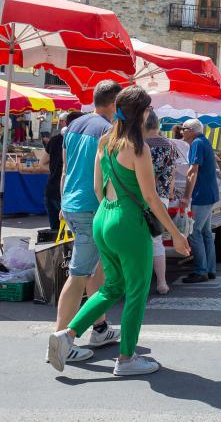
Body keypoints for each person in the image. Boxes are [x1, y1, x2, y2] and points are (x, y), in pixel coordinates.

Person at [47, 86, 190, 376]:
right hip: (127, 220)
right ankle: (126, 359)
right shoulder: (138, 148)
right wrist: (175, 233)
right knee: (136, 291)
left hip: (104, 217)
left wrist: (110, 214)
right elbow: (151, 198)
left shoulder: (106, 141)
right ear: (142, 112)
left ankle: (67, 334)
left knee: (112, 287)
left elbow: (98, 187)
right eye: (148, 108)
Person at [49, 80, 122, 366]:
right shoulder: (107, 130)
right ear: (114, 104)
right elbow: (108, 176)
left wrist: (62, 204)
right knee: (79, 274)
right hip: (92, 207)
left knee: (94, 271)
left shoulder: (73, 126)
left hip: (71, 203)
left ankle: (100, 328)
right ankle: (59, 339)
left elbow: (66, 169)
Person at [144, 110, 178, 295]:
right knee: (157, 240)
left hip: (142, 195)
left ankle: (139, 281)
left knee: (140, 240)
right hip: (163, 197)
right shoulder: (170, 145)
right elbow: (172, 174)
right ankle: (162, 282)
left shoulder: (141, 145)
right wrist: (170, 192)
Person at [181, 118, 220, 283]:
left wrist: (186, 196)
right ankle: (209, 269)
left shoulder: (197, 143)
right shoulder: (202, 141)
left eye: (183, 129)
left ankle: (201, 270)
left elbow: (193, 170)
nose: (181, 132)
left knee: (194, 232)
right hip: (208, 194)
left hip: (201, 195)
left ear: (191, 130)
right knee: (204, 233)